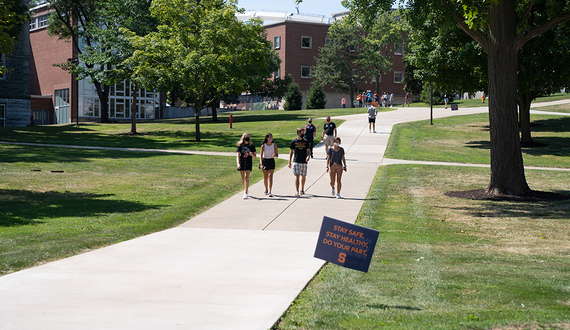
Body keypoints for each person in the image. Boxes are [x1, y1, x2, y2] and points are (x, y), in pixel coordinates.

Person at [288, 127, 311, 197]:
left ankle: (302, 189)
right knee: (297, 175)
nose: (303, 134)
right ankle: (297, 191)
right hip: (296, 161)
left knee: (303, 176)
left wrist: (308, 156)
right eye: (302, 132)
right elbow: (291, 152)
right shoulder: (293, 142)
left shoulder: (306, 141)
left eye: (303, 132)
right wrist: (289, 161)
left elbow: (308, 150)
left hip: (304, 161)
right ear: (298, 133)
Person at [236, 132, 256, 199]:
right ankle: (246, 188)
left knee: (246, 176)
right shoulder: (240, 146)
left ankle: (246, 192)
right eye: (246, 136)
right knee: (243, 178)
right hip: (242, 162)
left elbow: (255, 157)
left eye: (248, 136)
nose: (247, 138)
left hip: (248, 162)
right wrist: (238, 163)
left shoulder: (252, 146)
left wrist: (252, 154)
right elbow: (238, 155)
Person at [259, 133, 278, 197]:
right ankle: (266, 189)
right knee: (265, 177)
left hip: (271, 160)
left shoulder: (274, 145)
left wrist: (275, 155)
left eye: (271, 137)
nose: (271, 138)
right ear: (267, 138)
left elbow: (277, 155)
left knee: (270, 176)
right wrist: (261, 164)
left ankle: (270, 191)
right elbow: (261, 155)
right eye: (269, 137)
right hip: (265, 161)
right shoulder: (263, 146)